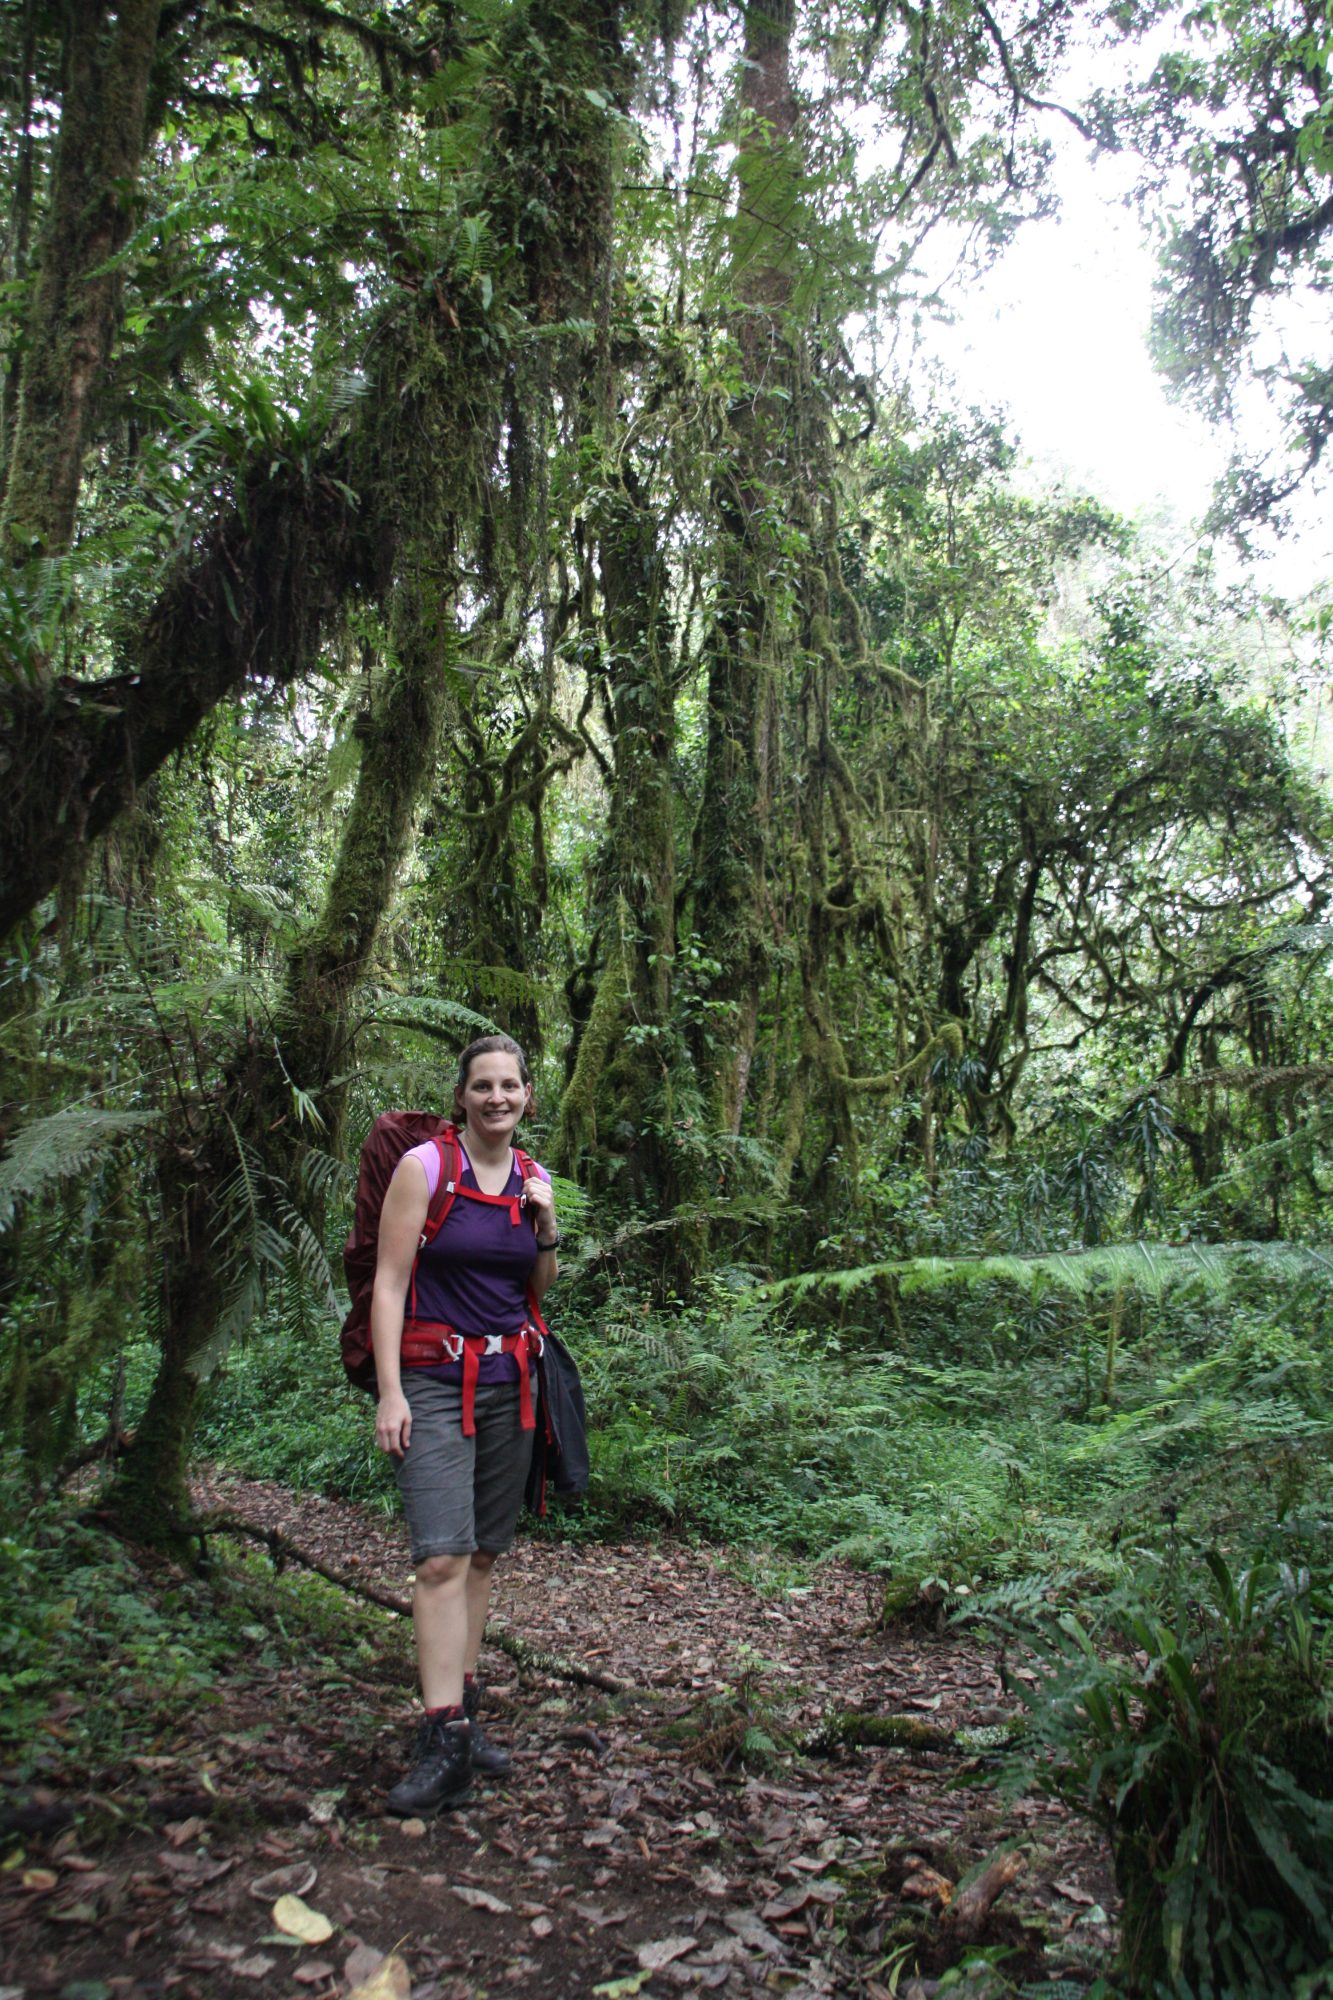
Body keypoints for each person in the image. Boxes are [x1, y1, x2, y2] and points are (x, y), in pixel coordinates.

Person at [370, 1033, 559, 1816]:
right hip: (433, 1380)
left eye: (508, 1086)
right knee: (440, 1560)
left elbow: (539, 1282)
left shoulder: (532, 1177)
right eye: (481, 1085)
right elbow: (388, 1284)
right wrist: (390, 1392)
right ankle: (440, 1735)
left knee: (482, 1556)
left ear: (525, 1097)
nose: (496, 1098)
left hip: (509, 1380)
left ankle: (466, 1715)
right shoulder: (424, 1170)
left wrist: (546, 1224)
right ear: (461, 1097)